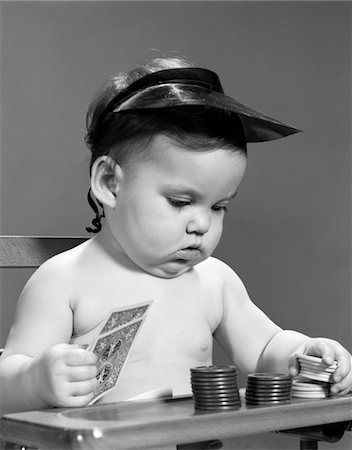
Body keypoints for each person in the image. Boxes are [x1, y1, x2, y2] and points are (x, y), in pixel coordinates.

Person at [0, 57, 351, 418]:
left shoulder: (213, 282)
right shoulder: (64, 280)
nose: (201, 224)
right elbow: (4, 385)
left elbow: (265, 348)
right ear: (109, 183)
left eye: (219, 207)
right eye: (180, 202)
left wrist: (303, 354)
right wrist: (34, 380)